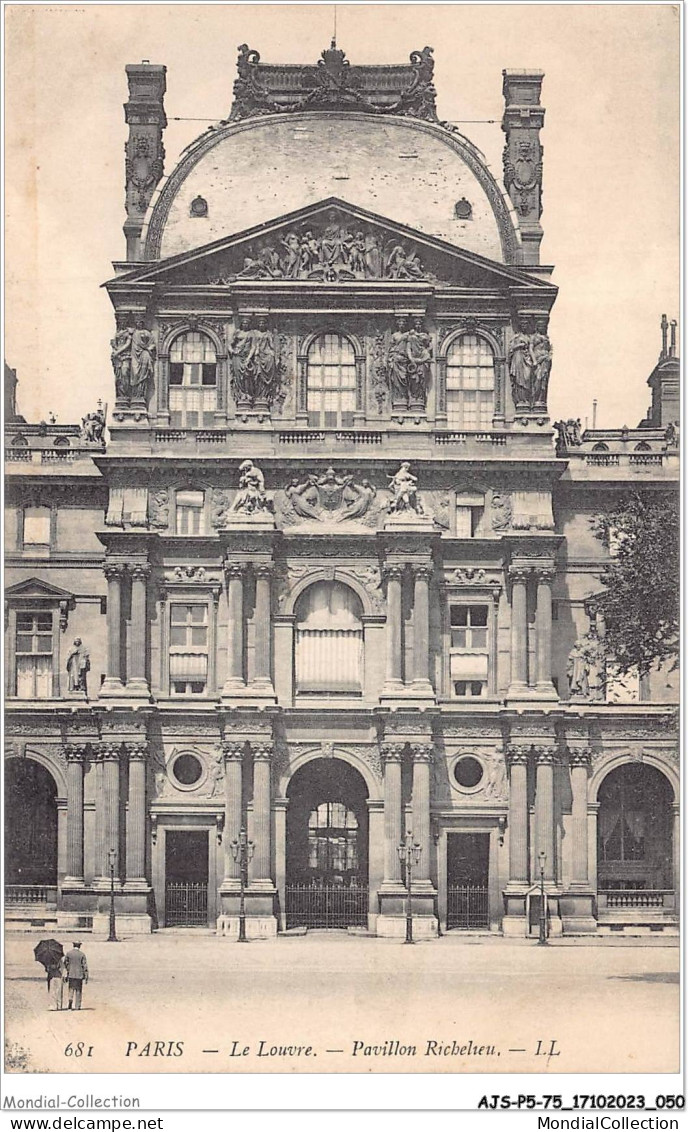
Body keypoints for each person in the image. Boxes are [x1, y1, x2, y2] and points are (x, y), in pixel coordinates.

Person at [64, 941, 88, 1010]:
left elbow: (65, 963)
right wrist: (86, 976)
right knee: (78, 990)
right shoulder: (82, 954)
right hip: (79, 975)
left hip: (71, 974)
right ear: (79, 946)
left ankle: (70, 1002)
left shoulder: (69, 953)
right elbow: (84, 966)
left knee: (71, 989)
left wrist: (68, 970)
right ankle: (77, 1005)